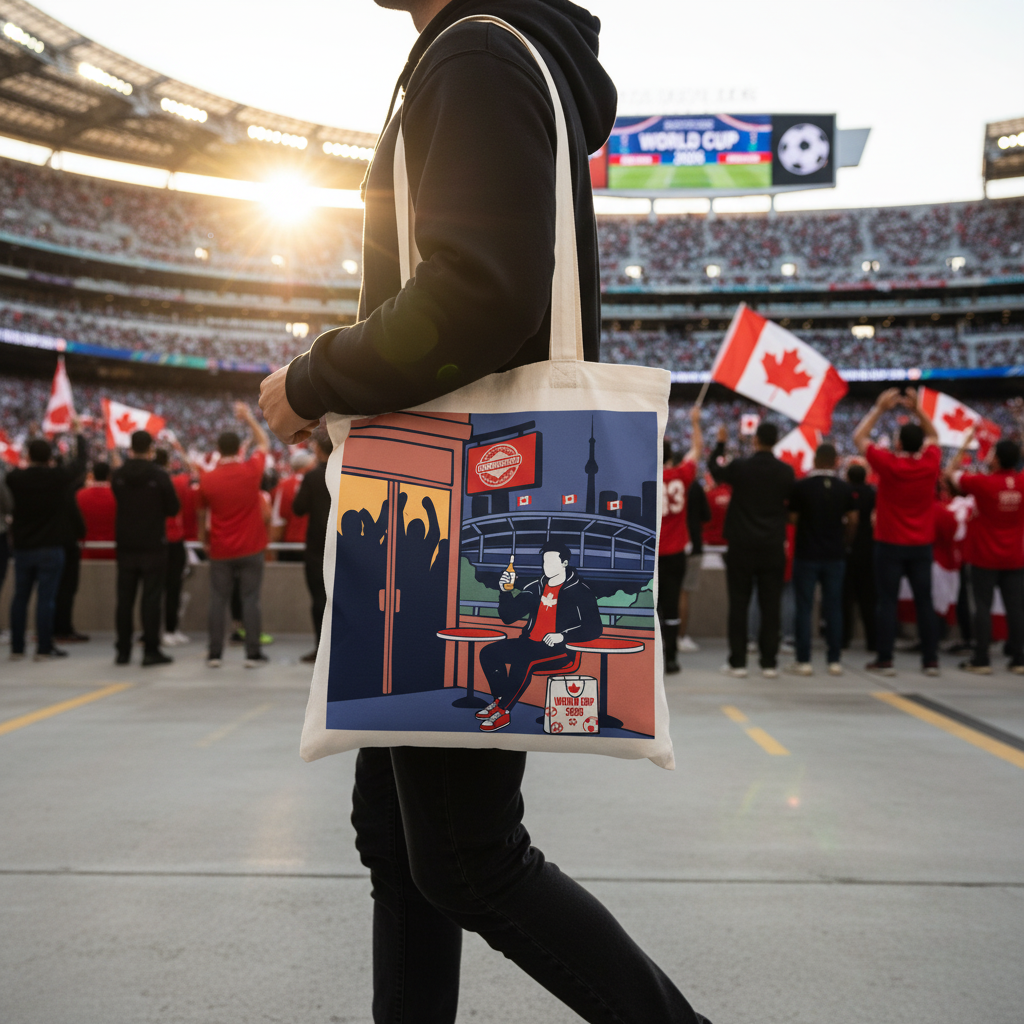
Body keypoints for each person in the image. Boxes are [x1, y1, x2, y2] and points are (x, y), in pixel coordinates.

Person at [258, 3, 714, 1022]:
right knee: (399, 839)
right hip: (456, 491)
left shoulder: (474, 52)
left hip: (458, 496)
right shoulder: (484, 52)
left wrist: (318, 373)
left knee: (466, 858)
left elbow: (483, 293)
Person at [853, 387, 942, 676]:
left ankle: (885, 658)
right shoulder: (930, 463)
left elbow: (859, 438)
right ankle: (930, 660)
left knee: (887, 602)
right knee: (924, 602)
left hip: (889, 542)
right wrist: (918, 411)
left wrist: (879, 409)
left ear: (899, 443)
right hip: (921, 544)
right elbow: (935, 437)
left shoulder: (889, 464)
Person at [479, 542, 603, 731]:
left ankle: (503, 712)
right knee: (488, 653)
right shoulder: (535, 588)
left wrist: (563, 636)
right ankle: (499, 700)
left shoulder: (580, 591)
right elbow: (508, 617)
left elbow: (595, 628)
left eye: (552, 562)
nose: (547, 566)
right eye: (545, 562)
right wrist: (505, 591)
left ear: (565, 563)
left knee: (524, 661)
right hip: (529, 643)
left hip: (561, 650)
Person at [709, 419, 795, 678]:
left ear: (755, 440)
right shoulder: (785, 471)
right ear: (776, 441)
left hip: (741, 545)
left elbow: (714, 469)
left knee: (739, 604)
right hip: (771, 545)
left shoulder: (741, 467)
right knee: (771, 606)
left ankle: (738, 662)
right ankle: (769, 663)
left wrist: (721, 444)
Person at [199, 403, 270, 668]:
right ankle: (252, 654)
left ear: (218, 450)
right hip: (251, 546)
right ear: (238, 448)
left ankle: (215, 654)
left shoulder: (208, 478)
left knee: (218, 600)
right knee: (251, 599)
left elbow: (200, 514)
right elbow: (263, 442)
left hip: (220, 548)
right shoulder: (251, 470)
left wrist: (203, 540)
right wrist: (250, 418)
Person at [947, 435, 1024, 674]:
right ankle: (1019, 659)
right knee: (1016, 608)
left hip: (984, 555)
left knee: (982, 606)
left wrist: (965, 443)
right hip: (1015, 556)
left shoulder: (982, 482)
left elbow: (950, 473)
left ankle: (981, 659)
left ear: (997, 459)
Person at [6, 430, 86, 660]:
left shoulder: (15, 478)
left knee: (20, 597)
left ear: (28, 455)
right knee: (46, 599)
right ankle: (43, 647)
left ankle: (17, 648)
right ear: (50, 457)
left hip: (23, 547)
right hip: (51, 546)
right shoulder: (57, 478)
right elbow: (79, 463)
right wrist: (78, 433)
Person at [786, 443, 858, 676]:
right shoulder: (844, 488)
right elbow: (853, 519)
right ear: (835, 461)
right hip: (834, 554)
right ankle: (834, 660)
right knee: (833, 607)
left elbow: (793, 518)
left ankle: (804, 660)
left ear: (815, 460)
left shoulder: (802, 486)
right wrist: (845, 542)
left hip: (807, 553)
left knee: (804, 608)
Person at [111, 431, 179, 666]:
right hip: (153, 545)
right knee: (151, 600)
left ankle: (123, 651)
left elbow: (118, 498)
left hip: (126, 545)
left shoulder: (118, 475)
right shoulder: (159, 475)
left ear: (130, 447)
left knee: (124, 600)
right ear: (151, 449)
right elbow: (173, 508)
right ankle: (151, 650)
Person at [658, 406, 702, 673]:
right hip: (676, 553)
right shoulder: (682, 476)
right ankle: (672, 658)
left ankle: (652, 658)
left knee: (650, 608)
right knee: (672, 607)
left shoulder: (647, 478)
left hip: (652, 553)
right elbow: (697, 451)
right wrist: (695, 423)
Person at [291, 429, 332, 664]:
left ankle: (320, 649)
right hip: (343, 545)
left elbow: (297, 508)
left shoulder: (312, 477)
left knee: (319, 600)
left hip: (317, 549)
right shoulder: (345, 473)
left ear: (317, 449)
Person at [154, 449, 192, 647]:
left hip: (155, 539)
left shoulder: (148, 482)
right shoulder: (174, 482)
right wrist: (179, 448)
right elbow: (193, 470)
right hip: (173, 539)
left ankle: (153, 632)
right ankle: (169, 629)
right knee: (172, 587)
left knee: (155, 589)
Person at [842, 463, 876, 652]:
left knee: (845, 597)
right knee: (868, 598)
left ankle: (844, 639)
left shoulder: (844, 492)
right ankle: (872, 640)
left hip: (848, 548)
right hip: (868, 546)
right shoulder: (872, 493)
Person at [678, 472, 711, 653]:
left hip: (666, 544)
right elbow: (706, 516)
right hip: (691, 543)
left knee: (663, 593)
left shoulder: (662, 480)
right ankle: (680, 637)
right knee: (683, 593)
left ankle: (663, 635)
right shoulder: (694, 486)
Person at [271, 449, 314, 562]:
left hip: (290, 544)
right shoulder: (320, 482)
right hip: (314, 543)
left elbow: (278, 521)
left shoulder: (284, 485)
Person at [78, 461, 117, 561]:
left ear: (93, 475)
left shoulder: (80, 496)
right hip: (113, 550)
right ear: (109, 476)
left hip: (85, 550)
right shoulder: (118, 496)